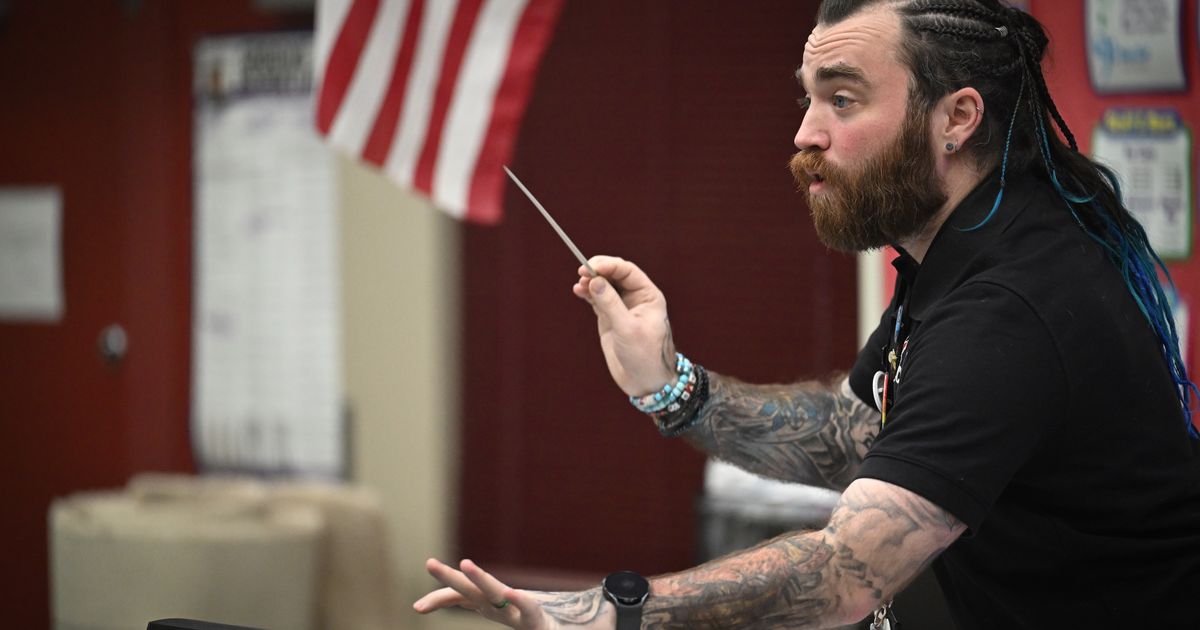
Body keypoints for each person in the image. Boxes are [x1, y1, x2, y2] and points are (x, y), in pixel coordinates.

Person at [413, 0, 1200, 627]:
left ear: (957, 117)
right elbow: (860, 437)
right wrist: (672, 385)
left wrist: (604, 614)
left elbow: (842, 575)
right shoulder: (964, 254)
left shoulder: (1011, 309)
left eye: (843, 99)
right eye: (809, 97)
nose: (804, 133)